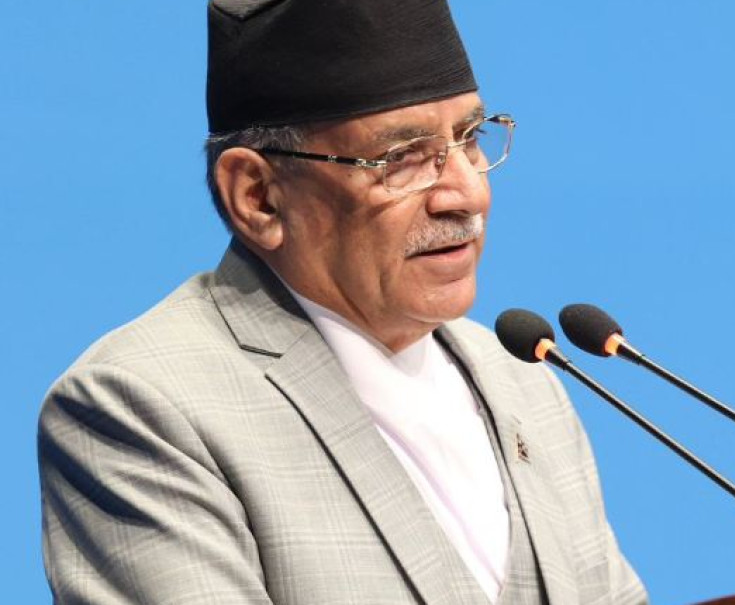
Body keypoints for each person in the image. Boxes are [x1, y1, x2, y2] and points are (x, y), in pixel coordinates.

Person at [36, 1, 648, 603]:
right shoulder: (146, 406)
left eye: (470, 139)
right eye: (402, 158)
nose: (468, 195)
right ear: (258, 198)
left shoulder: (521, 379)